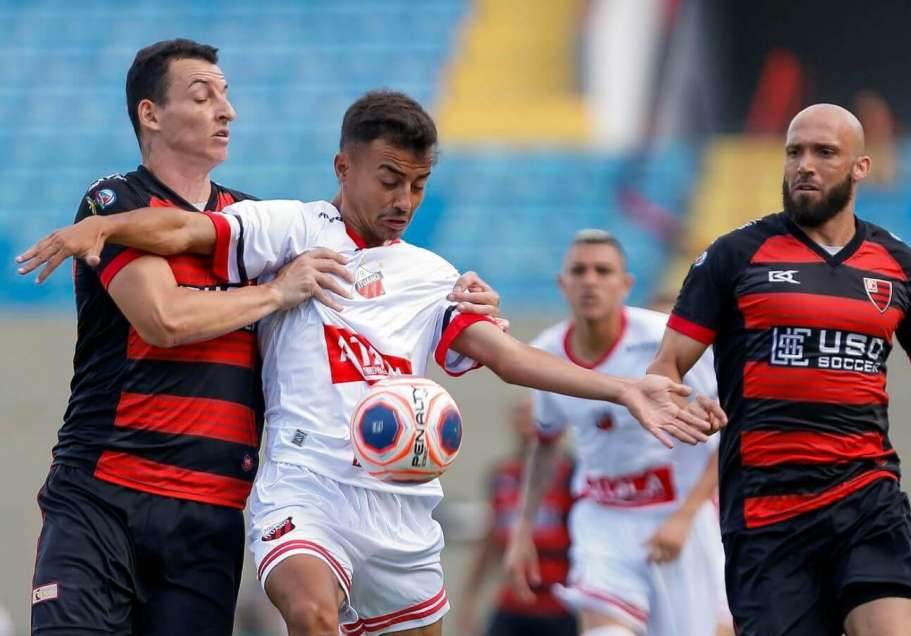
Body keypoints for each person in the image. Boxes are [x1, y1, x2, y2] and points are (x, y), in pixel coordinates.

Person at [20, 90, 721, 636]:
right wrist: (106, 225)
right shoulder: (289, 229)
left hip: (402, 508)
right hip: (304, 488)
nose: (403, 201)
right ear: (344, 166)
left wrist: (622, 389)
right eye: (389, 179)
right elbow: (182, 228)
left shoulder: (433, 275)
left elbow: (505, 357)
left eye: (416, 185)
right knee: (312, 614)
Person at [19, 40, 499, 636]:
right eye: (204, 95)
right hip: (107, 491)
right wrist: (276, 292)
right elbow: (163, 319)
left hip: (211, 510)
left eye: (226, 94)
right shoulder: (119, 203)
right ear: (151, 114)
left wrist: (459, 296)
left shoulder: (256, 223)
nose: (228, 110)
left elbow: (359, 295)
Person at [648, 103, 911, 635]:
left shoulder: (901, 268)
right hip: (767, 514)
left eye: (824, 152)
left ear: (860, 167)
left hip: (868, 501)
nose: (805, 165)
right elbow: (665, 369)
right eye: (795, 152)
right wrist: (683, 400)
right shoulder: (733, 256)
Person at [505, 229, 731, 636]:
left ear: (625, 284)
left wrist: (684, 517)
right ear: (563, 284)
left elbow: (732, 434)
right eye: (579, 270)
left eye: (603, 270)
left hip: (680, 518)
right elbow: (545, 442)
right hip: (602, 519)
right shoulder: (546, 354)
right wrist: (524, 526)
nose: (590, 280)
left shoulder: (667, 341)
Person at [457, 396, 577, 636]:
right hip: (513, 602)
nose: (525, 420)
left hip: (560, 606)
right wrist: (470, 596)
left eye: (531, 413)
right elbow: (490, 539)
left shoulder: (571, 474)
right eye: (519, 412)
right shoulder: (502, 475)